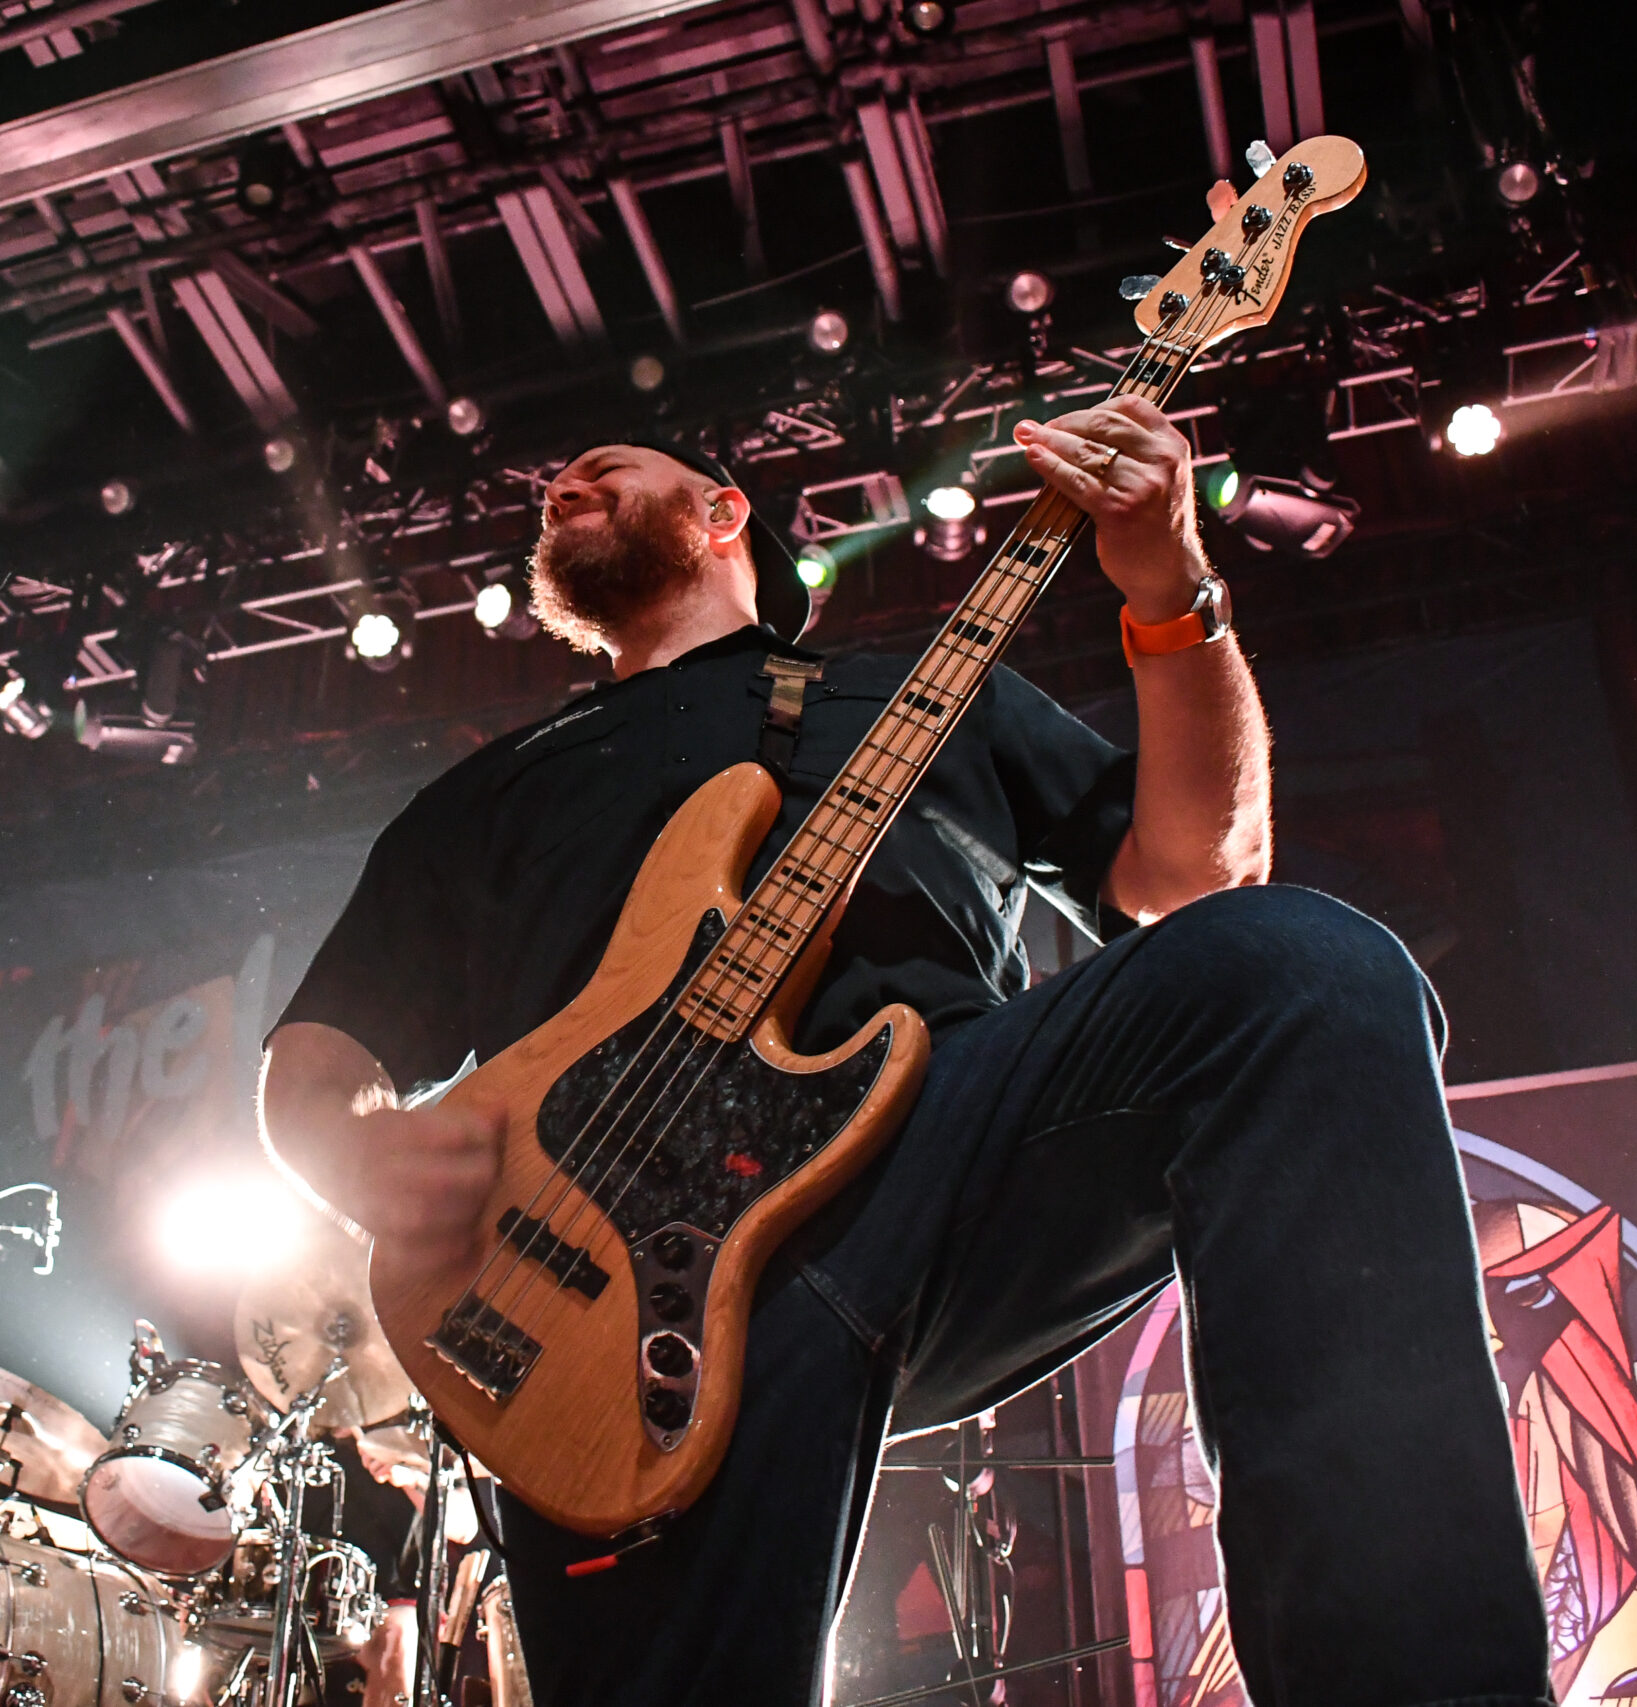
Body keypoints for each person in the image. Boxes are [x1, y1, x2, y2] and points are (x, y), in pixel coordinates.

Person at [258, 396, 1549, 1707]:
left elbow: (1195, 870)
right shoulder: (485, 789)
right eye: (557, 482)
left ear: (721, 513)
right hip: (597, 1280)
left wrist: (1173, 591)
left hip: (937, 1148)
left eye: (606, 466)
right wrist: (355, 1148)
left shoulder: (913, 694)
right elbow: (321, 1047)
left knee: (1299, 971)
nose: (562, 484)